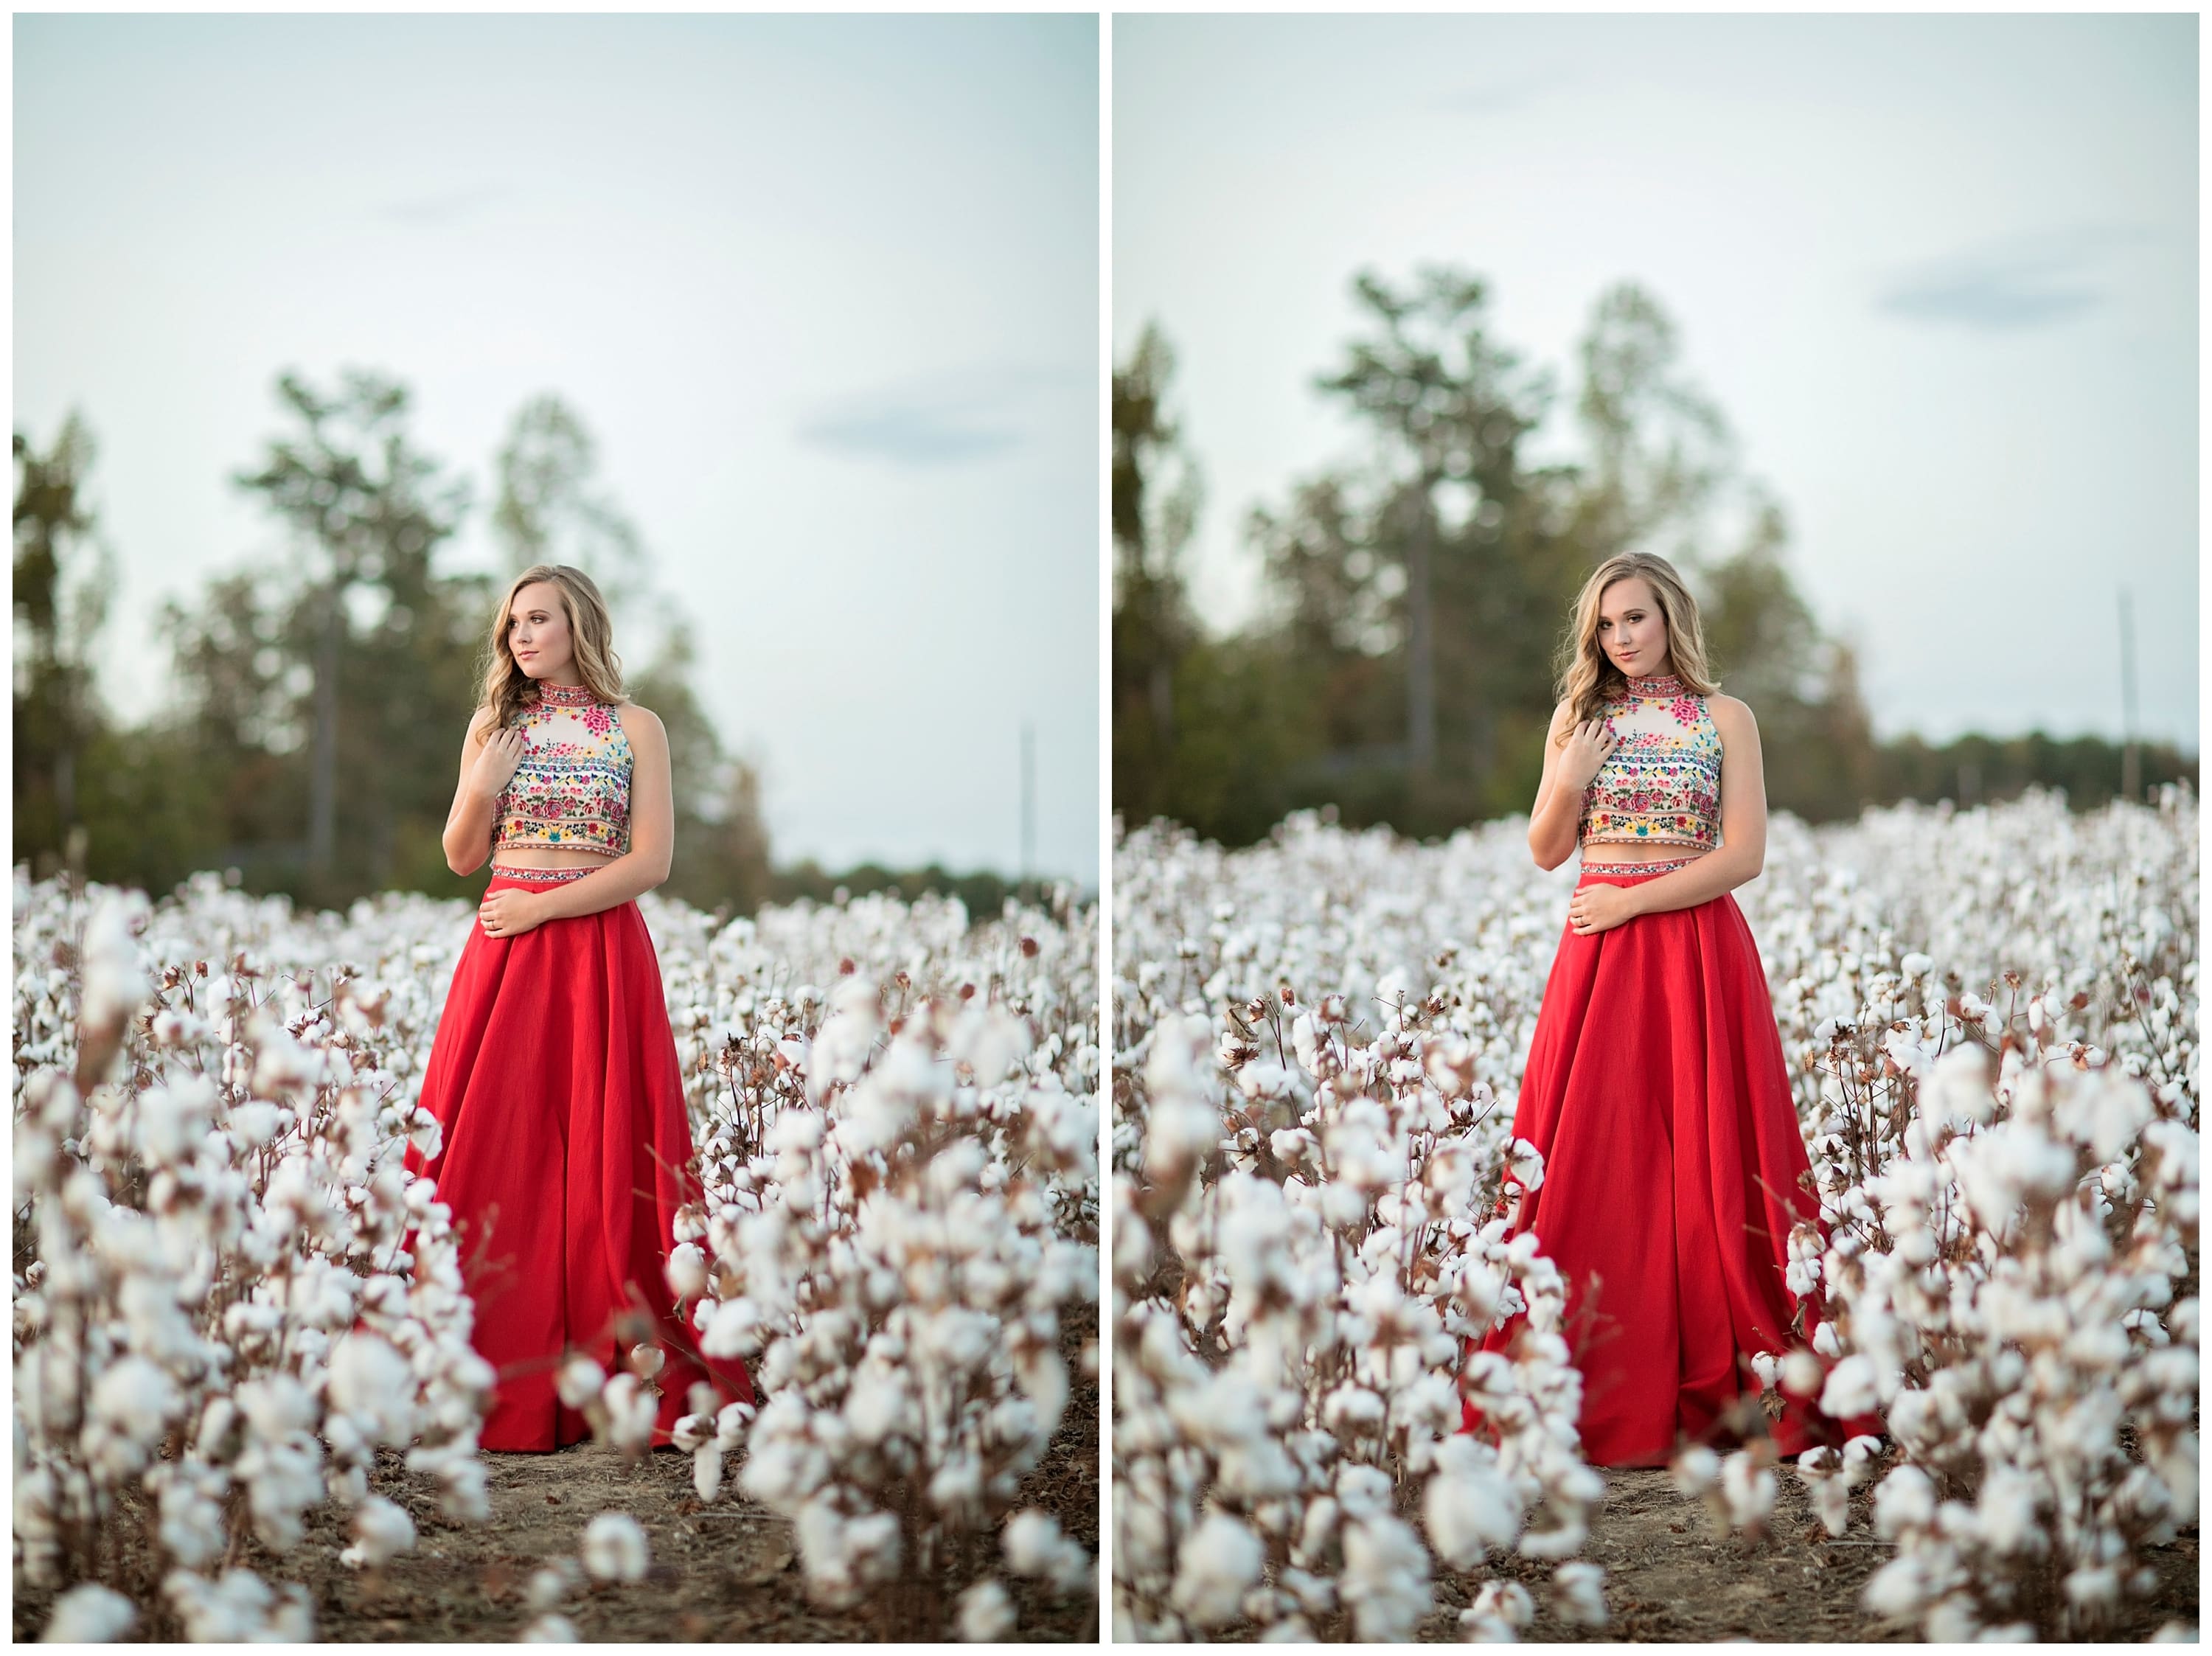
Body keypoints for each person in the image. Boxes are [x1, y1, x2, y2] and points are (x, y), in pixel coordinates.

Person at [1461, 550, 1877, 1469]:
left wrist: (1632, 899)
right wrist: (1569, 776)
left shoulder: (1727, 718)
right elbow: (1544, 848)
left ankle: (1739, 1367)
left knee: (1711, 1153)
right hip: (1598, 960)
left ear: (1671, 617)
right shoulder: (1578, 716)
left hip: (1692, 949)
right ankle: (1593, 1373)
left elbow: (1745, 855)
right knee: (1596, 1155)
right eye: (1607, 625)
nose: (1621, 638)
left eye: (1636, 619)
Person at [406, 563, 752, 1451]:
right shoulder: (494, 723)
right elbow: (458, 854)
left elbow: (651, 864)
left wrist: (541, 905)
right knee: (498, 1145)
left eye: (540, 620)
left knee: (608, 1148)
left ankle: (619, 1367)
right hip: (505, 960)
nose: (522, 637)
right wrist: (483, 782)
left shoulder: (638, 728)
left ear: (579, 625)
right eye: (512, 624)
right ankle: (494, 1364)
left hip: (596, 949)